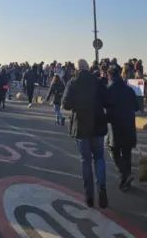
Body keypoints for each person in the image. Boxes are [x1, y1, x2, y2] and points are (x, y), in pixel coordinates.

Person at [62, 59, 108, 209]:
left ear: (77, 69)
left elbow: (66, 104)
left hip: (81, 125)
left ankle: (89, 196)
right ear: (88, 68)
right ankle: (102, 186)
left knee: (85, 161)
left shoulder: (73, 83)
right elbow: (107, 101)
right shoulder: (98, 82)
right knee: (100, 158)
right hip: (98, 124)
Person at [104, 67, 138, 190]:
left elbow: (105, 107)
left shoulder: (109, 90)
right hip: (128, 124)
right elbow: (136, 107)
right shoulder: (129, 89)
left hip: (115, 126)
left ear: (110, 76)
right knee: (127, 152)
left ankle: (125, 173)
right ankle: (126, 180)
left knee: (113, 149)